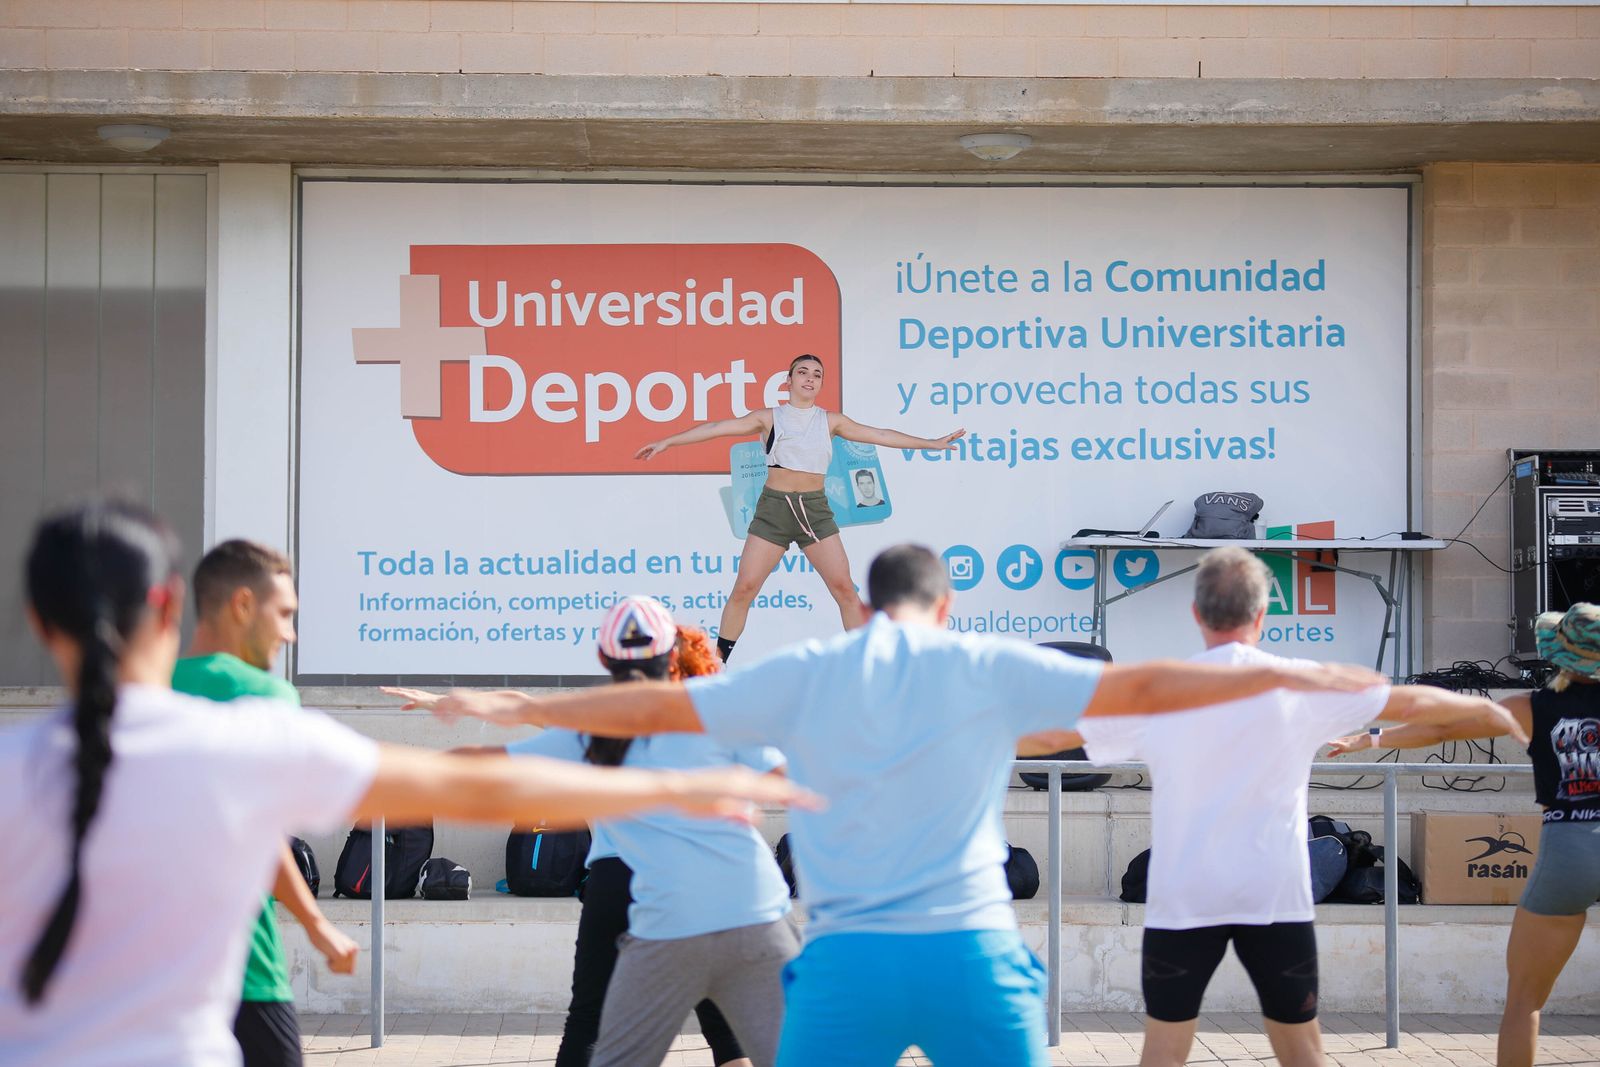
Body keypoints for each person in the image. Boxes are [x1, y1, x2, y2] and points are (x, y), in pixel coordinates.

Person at [397, 543, 1389, 1067]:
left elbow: (603, 725)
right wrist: (1275, 683)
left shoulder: (779, 682)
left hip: (788, 945)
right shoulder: (972, 669)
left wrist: (469, 718)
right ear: (943, 606)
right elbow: (1125, 697)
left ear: (865, 608)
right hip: (919, 944)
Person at [0, 500, 819, 1067]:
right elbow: (483, 784)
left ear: (37, 621)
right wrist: (669, 788)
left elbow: (496, 765)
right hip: (731, 918)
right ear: (171, 602)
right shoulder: (249, 737)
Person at [1046, 547, 1526, 1067]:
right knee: (1301, 1048)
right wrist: (1495, 712)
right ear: (1262, 613)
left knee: (1163, 1049)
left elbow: (1049, 736)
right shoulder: (1303, 683)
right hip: (1273, 892)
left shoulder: (1160, 690)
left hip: (1186, 894)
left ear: (1195, 613)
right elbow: (1421, 705)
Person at [388, 598, 796, 1067]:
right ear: (676, 657)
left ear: (605, 661)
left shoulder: (596, 728)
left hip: (656, 910)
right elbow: (798, 776)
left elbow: (490, 753)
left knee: (590, 1026)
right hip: (751, 910)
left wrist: (379, 773)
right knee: (743, 1043)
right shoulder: (720, 714)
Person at [1328, 602, 1600, 1067]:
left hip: (1570, 842)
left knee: (1524, 1001)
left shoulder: (1531, 707)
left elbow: (1441, 729)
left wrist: (1368, 739)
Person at [634, 353, 963, 661]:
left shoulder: (831, 421)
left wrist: (930, 443)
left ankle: (868, 662)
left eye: (816, 375)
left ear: (821, 384)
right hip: (773, 511)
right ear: (788, 381)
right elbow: (715, 428)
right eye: (802, 373)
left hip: (814, 512)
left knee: (845, 590)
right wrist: (668, 441)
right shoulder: (768, 418)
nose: (810, 378)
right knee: (744, 589)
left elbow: (879, 434)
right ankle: (716, 663)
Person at [170, 539, 357, 1067]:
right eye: (285, 614)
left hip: (140, 978)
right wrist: (317, 925)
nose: (290, 633)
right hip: (242, 971)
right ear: (243, 605)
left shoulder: (138, 691)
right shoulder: (262, 696)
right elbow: (259, 835)